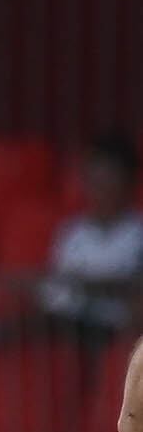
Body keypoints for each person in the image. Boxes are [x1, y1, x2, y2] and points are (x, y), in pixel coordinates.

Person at [39, 131, 142, 336]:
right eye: (95, 178)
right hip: (69, 325)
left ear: (129, 181)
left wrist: (94, 286)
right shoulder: (71, 233)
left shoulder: (138, 233)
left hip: (116, 330)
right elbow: (55, 291)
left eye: (109, 177)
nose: (100, 187)